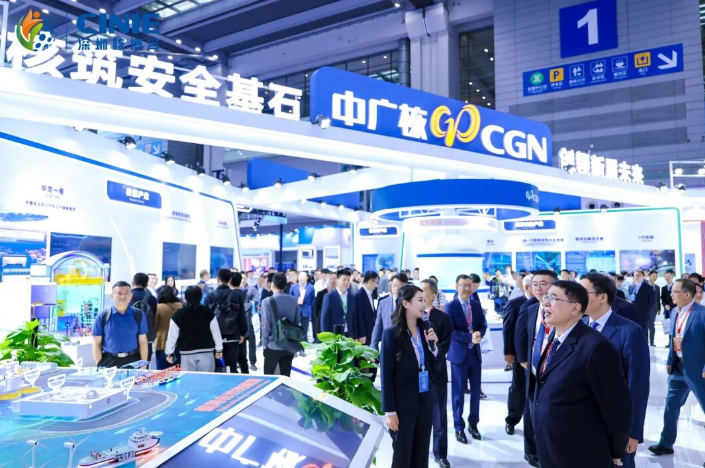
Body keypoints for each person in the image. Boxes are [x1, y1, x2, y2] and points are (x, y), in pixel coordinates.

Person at [533, 280, 632, 468]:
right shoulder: (554, 339)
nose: (545, 303)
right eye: (546, 297)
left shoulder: (596, 347)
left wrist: (616, 448)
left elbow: (617, 405)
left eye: (553, 298)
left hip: (580, 451)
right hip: (551, 446)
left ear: (575, 308)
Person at [580, 273, 650, 468]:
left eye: (583, 292)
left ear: (602, 297)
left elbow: (637, 384)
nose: (577, 297)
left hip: (616, 423)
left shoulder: (629, 331)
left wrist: (633, 431)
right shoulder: (579, 327)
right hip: (583, 421)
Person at [381, 284, 440, 468]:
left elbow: (435, 366)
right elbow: (386, 375)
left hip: (425, 401)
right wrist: (389, 411)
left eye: (425, 300)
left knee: (421, 454)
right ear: (406, 304)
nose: (424, 304)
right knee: (402, 455)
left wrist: (434, 348)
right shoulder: (391, 334)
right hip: (403, 405)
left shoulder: (427, 330)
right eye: (420, 300)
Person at [649, 278, 705, 458]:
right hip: (678, 368)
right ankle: (666, 444)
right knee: (670, 407)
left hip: (698, 370)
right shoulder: (674, 312)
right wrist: (669, 360)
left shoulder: (702, 314)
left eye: (674, 291)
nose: (671, 294)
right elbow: (674, 337)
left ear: (687, 294)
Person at [514, 269, 557, 467]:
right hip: (533, 369)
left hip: (554, 369)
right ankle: (531, 451)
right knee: (531, 411)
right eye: (535, 284)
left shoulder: (561, 308)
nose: (538, 288)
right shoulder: (530, 308)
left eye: (544, 284)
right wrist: (524, 361)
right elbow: (521, 334)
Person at [447, 274, 486, 443]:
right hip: (458, 357)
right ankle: (458, 427)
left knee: (476, 393)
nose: (467, 288)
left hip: (474, 356)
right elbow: (450, 332)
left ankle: (473, 424)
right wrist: (469, 337)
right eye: (463, 285)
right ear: (456, 287)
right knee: (458, 395)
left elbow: (482, 325)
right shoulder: (450, 306)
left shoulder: (476, 305)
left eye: (469, 285)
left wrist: (478, 334)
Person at [420, 279, 452, 468]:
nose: (421, 294)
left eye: (424, 290)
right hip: (417, 374)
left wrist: (435, 346)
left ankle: (440, 453)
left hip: (437, 372)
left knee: (439, 414)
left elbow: (445, 345)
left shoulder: (443, 318)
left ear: (433, 295)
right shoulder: (411, 317)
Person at [165, 286, 223, 372]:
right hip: (207, 352)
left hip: (186, 353)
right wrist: (219, 349)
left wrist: (169, 352)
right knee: (207, 379)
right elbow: (216, 332)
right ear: (200, 297)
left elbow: (172, 335)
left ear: (185, 297)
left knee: (188, 379)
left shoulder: (178, 314)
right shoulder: (208, 312)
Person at [92, 281, 149, 368]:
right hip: (109, 361)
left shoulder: (138, 314)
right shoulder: (103, 316)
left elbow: (143, 342)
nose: (123, 296)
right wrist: (99, 365)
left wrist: (143, 365)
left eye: (126, 293)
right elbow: (96, 343)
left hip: (132, 360)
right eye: (119, 293)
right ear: (111, 296)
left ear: (131, 295)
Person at [502, 274, 532, 436]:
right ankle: (512, 419)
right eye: (535, 285)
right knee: (518, 387)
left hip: (538, 354)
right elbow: (508, 329)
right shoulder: (515, 303)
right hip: (520, 355)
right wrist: (508, 352)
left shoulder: (545, 303)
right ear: (527, 287)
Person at [206, 269, 247, 373]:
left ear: (217, 279)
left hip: (215, 338)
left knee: (217, 367)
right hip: (233, 336)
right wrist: (243, 333)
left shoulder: (210, 296)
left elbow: (205, 317)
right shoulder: (236, 296)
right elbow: (242, 316)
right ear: (230, 280)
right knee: (232, 366)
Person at [261, 273, 301, 377]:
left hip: (272, 345)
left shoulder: (267, 301)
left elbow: (265, 326)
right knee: (286, 377)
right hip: (288, 345)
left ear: (272, 284)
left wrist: (264, 343)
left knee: (269, 377)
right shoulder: (294, 300)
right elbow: (296, 323)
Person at [321, 268, 363, 340]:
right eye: (344, 279)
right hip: (334, 334)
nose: (346, 282)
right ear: (337, 280)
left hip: (349, 334)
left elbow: (354, 319)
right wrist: (326, 338)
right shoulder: (329, 297)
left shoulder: (352, 297)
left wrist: (356, 336)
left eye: (348, 280)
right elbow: (324, 319)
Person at [371, 273, 409, 351]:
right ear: (390, 286)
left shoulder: (410, 303)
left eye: (400, 286)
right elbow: (378, 326)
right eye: (394, 285)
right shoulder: (383, 303)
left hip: (404, 345)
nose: (397, 288)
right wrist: (373, 347)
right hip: (387, 344)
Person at [153, 285, 183, 370]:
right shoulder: (180, 306)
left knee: (163, 372)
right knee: (178, 371)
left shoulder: (158, 307)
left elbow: (155, 326)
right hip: (179, 342)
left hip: (162, 343)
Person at [129, 273, 158, 361]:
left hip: (130, 337)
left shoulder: (127, 297)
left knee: (129, 366)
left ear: (132, 283)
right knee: (144, 364)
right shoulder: (152, 299)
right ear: (146, 284)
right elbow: (154, 316)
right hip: (147, 337)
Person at [229, 272, 251, 373]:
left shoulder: (230, 295)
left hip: (232, 331)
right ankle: (246, 376)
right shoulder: (245, 294)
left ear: (230, 281)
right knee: (243, 358)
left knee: (232, 359)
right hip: (243, 330)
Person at [290, 271, 316, 343]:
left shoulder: (311, 287)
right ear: (298, 277)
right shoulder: (293, 287)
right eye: (300, 276)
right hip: (296, 310)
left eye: (304, 276)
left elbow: (312, 300)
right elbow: (290, 298)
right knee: (295, 328)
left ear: (307, 278)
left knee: (305, 329)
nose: (302, 278)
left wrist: (308, 307)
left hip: (306, 310)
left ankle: (303, 345)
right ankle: (295, 344)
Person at [355, 271, 379, 346]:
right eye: (376, 282)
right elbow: (359, 317)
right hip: (364, 333)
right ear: (370, 281)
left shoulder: (371, 293)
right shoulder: (359, 295)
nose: (376, 285)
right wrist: (361, 334)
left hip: (371, 331)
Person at [241, 275, 259, 371]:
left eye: (244, 278)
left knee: (252, 343)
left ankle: (252, 362)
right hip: (240, 320)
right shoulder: (236, 290)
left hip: (250, 320)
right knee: (241, 343)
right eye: (241, 278)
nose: (243, 280)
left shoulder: (252, 289)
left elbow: (256, 301)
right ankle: (241, 361)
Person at [313, 275, 336, 343]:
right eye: (331, 279)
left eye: (334, 279)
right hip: (322, 323)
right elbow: (316, 309)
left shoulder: (339, 294)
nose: (332, 281)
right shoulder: (321, 293)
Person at [646, 270, 661, 346]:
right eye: (654, 276)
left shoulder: (657, 287)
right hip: (645, 309)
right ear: (649, 276)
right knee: (645, 324)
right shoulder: (644, 285)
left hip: (654, 309)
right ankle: (645, 340)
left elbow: (658, 298)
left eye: (656, 276)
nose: (655, 278)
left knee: (652, 325)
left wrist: (659, 308)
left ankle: (652, 341)